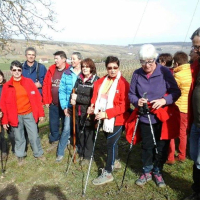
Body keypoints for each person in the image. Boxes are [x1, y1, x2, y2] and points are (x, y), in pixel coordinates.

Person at [128, 44, 181, 188]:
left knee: (161, 146)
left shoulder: (164, 72)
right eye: (143, 61)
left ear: (155, 59)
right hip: (145, 116)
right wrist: (137, 101)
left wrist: (164, 100)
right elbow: (131, 94)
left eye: (149, 61)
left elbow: (176, 92)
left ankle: (158, 171)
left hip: (162, 117)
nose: (146, 65)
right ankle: (146, 171)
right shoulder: (137, 74)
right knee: (147, 146)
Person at [87, 56, 130, 185]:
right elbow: (95, 97)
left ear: (118, 67)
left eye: (115, 68)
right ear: (106, 68)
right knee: (110, 141)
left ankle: (108, 172)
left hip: (117, 119)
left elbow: (124, 106)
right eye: (109, 68)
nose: (112, 70)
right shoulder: (100, 82)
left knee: (110, 144)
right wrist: (92, 106)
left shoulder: (123, 83)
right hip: (102, 117)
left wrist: (107, 114)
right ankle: (115, 161)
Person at [0, 61, 45, 165]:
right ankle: (20, 155)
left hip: (29, 114)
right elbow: (4, 105)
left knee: (34, 136)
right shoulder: (7, 86)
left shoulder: (28, 82)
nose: (17, 72)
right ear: (11, 71)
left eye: (19, 70)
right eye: (14, 70)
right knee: (19, 137)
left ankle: (38, 153)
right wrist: (5, 121)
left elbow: (37, 99)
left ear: (21, 71)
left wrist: (41, 113)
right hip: (15, 116)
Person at [70, 58, 99, 165]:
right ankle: (81, 153)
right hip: (78, 112)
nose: (85, 69)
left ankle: (87, 157)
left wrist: (77, 98)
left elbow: (93, 98)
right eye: (83, 67)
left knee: (88, 134)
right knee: (80, 133)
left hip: (89, 112)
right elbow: (74, 93)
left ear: (92, 68)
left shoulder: (96, 81)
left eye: (87, 67)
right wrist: (72, 99)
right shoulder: (79, 79)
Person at [166, 51, 192, 165]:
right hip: (188, 107)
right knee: (183, 132)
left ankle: (170, 156)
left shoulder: (177, 76)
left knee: (171, 131)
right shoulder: (191, 72)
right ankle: (182, 155)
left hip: (178, 107)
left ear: (176, 63)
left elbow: (171, 91)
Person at [56, 52, 82, 162]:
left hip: (80, 106)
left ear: (80, 60)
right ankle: (60, 152)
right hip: (69, 106)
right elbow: (61, 90)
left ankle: (80, 149)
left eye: (74, 59)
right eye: (71, 59)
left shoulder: (84, 73)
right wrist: (64, 107)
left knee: (80, 128)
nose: (72, 61)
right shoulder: (66, 73)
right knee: (66, 128)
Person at [185, 28, 200, 200]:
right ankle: (197, 191)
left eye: (198, 47)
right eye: (194, 47)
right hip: (196, 121)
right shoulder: (196, 64)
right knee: (195, 160)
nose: (195, 50)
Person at [42, 51, 69, 148]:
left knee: (65, 123)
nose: (55, 61)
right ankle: (54, 138)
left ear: (64, 59)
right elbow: (45, 85)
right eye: (55, 59)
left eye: (57, 58)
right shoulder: (51, 69)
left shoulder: (70, 70)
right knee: (53, 122)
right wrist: (46, 100)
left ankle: (65, 138)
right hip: (53, 103)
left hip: (66, 103)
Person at [0, 70, 7, 159]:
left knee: (2, 134)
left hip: (5, 112)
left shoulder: (6, 86)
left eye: (0, 75)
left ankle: (4, 151)